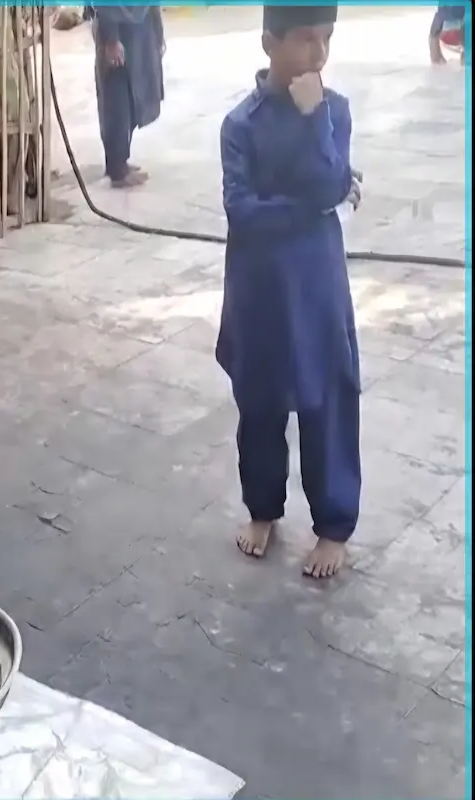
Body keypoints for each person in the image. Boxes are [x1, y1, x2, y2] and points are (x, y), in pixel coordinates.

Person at [216, 3, 362, 580]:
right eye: (306, 40)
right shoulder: (239, 125)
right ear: (268, 43)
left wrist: (313, 120)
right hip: (259, 289)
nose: (319, 53)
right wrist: (316, 204)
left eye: (327, 38)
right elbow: (241, 210)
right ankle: (262, 510)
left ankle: (333, 525)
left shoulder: (333, 111)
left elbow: (332, 178)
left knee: (327, 400)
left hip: (316, 285)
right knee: (260, 402)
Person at [89, 4, 165, 188]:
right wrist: (112, 39)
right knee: (117, 100)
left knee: (133, 98)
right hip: (118, 31)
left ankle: (121, 160)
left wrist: (158, 31)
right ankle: (117, 169)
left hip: (139, 30)